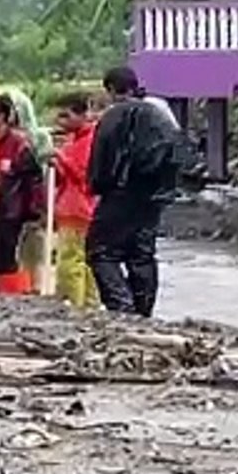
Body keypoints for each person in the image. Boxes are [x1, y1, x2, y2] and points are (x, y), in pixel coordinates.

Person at [86, 66, 182, 317]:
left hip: (119, 194)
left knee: (101, 251)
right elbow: (176, 155)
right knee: (142, 254)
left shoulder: (114, 115)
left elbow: (102, 158)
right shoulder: (162, 115)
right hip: (153, 197)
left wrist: (97, 186)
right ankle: (143, 311)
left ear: (110, 89)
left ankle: (121, 306)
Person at [0, 94, 43, 294]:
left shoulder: (19, 145)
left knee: (4, 257)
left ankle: (15, 294)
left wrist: (35, 211)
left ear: (2, 116)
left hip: (12, 210)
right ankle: (8, 292)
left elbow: (35, 179)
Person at [51, 92, 100, 309]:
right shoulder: (76, 140)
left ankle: (74, 305)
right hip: (72, 206)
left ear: (82, 114)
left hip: (78, 209)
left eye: (65, 116)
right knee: (84, 263)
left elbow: (84, 177)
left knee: (70, 263)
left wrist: (61, 157)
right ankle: (89, 305)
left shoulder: (89, 142)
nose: (60, 122)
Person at [5, 88, 53, 291]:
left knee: (33, 247)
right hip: (9, 201)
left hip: (33, 200)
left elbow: (46, 172)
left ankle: (36, 285)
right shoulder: (1, 137)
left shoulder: (39, 138)